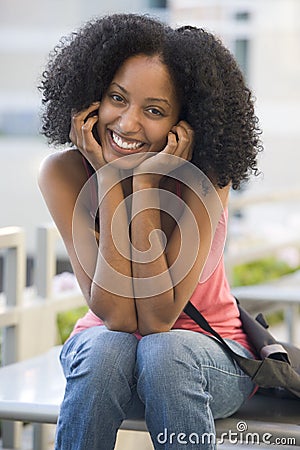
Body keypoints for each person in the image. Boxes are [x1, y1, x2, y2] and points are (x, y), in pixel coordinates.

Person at [38, 13, 262, 450]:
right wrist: (109, 180)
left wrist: (141, 184)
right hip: (107, 353)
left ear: (187, 122)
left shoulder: (207, 175)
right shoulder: (64, 172)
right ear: (91, 98)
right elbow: (117, 317)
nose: (127, 124)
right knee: (107, 349)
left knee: (166, 353)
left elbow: (159, 320)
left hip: (204, 352)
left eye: (154, 111)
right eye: (116, 98)